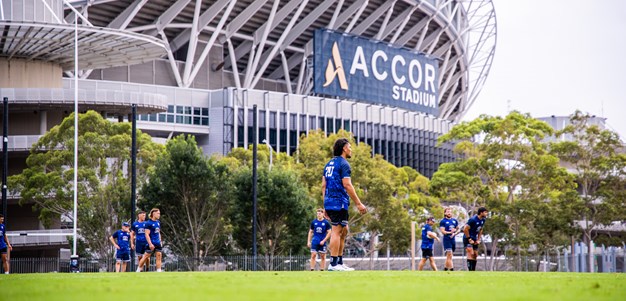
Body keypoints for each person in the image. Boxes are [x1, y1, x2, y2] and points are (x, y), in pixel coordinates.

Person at [322, 138, 367, 272]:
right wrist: (358, 203)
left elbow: (324, 186)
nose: (351, 149)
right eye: (350, 147)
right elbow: (347, 184)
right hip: (338, 201)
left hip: (331, 201)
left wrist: (325, 205)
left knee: (344, 230)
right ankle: (333, 264)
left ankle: (339, 262)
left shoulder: (328, 164)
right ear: (344, 149)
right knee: (336, 231)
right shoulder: (344, 164)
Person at [463, 207, 488, 271]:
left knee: (475, 254)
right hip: (467, 237)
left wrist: (478, 239)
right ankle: (470, 270)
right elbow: (465, 229)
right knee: (470, 253)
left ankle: (473, 270)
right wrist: (469, 239)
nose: (486, 213)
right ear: (481, 213)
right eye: (485, 212)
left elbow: (480, 230)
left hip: (475, 238)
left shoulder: (483, 220)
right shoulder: (473, 220)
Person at [138, 208, 162, 272]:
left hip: (157, 242)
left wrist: (160, 240)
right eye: (158, 213)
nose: (159, 215)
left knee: (159, 255)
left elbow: (158, 232)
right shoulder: (148, 223)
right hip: (151, 242)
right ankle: (138, 269)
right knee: (146, 256)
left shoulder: (158, 222)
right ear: (153, 214)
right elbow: (146, 234)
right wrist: (150, 244)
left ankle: (159, 271)